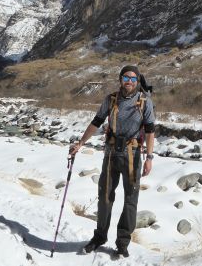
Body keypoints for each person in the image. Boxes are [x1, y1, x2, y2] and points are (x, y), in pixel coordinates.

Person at [69, 65, 155, 258]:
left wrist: (149, 157)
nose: (130, 82)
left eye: (134, 79)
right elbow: (96, 122)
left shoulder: (145, 102)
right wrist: (80, 143)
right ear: (120, 79)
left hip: (132, 155)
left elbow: (150, 131)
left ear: (138, 81)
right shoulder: (110, 100)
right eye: (126, 78)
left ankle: (123, 242)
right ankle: (99, 237)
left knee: (130, 200)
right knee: (105, 197)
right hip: (110, 154)